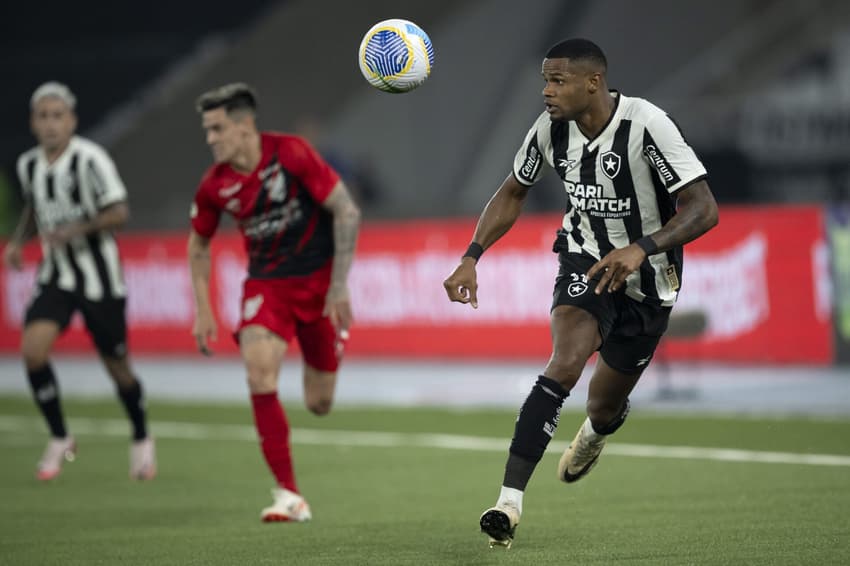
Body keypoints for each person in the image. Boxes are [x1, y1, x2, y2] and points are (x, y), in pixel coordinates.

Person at [443, 39, 719, 548]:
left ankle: (596, 433)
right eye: (545, 81)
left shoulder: (647, 125)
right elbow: (513, 191)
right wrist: (471, 255)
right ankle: (508, 503)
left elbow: (703, 208)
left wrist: (641, 247)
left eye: (557, 81)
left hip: (648, 279)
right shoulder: (551, 128)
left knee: (601, 406)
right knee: (565, 361)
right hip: (585, 260)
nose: (547, 92)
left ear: (592, 82)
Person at [188, 83, 360, 522]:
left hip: (319, 286)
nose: (210, 139)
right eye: (207, 130)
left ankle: (330, 343)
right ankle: (289, 495)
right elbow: (199, 244)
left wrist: (339, 286)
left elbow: (347, 211)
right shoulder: (215, 186)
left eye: (217, 128)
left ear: (245, 126)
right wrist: (204, 309)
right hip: (267, 286)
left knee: (319, 403)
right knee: (259, 371)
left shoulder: (291, 153)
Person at [2, 82, 156, 481]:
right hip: (56, 276)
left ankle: (141, 436)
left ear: (71, 120)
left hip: (100, 279)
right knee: (33, 352)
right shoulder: (28, 164)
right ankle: (59, 435)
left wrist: (76, 229)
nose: (51, 124)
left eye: (58, 116)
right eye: (43, 116)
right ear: (33, 123)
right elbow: (36, 208)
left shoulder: (91, 159)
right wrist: (19, 243)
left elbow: (119, 212)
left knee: (117, 366)